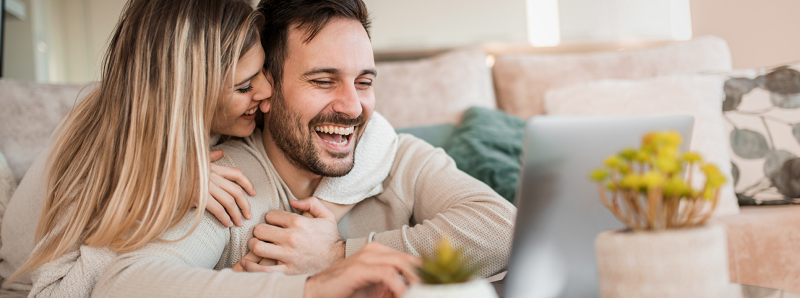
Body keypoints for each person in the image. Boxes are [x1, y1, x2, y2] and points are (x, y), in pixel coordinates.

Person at [89, 0, 516, 297]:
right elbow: (123, 286)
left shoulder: (396, 156)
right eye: (323, 81)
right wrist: (312, 287)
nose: (352, 107)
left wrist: (339, 255)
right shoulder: (229, 183)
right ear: (267, 88)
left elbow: (505, 230)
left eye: (364, 82)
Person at [2, 0, 416, 297]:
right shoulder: (102, 139)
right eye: (244, 86)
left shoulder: (215, 127)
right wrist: (166, 185)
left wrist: (321, 232)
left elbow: (378, 135)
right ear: (190, 94)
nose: (267, 92)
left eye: (262, 72)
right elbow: (59, 290)